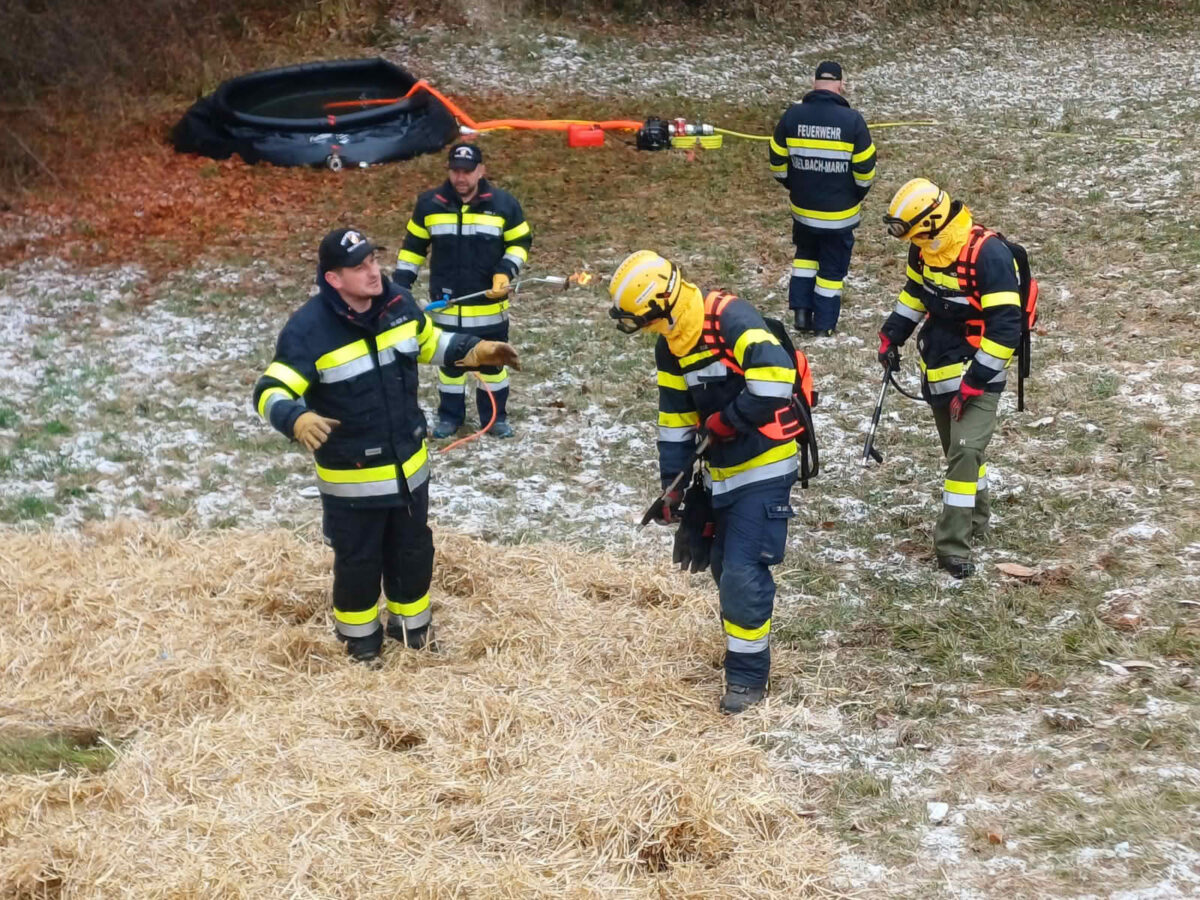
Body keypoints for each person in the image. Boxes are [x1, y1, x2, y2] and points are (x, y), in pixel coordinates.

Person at [253, 227, 520, 662]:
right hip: (353, 481)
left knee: (413, 554)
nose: (373, 272)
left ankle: (414, 633)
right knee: (359, 563)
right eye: (359, 267)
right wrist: (295, 417)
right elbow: (269, 391)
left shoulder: (397, 302)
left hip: (410, 469)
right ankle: (360, 645)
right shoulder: (308, 330)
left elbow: (429, 341)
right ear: (333, 279)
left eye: (373, 260)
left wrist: (476, 350)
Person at [608, 250, 799, 714]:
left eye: (646, 320)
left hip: (766, 464)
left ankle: (748, 680)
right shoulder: (671, 343)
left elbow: (776, 379)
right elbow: (675, 421)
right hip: (720, 474)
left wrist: (726, 422)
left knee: (741, 571)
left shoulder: (731, 318)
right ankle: (743, 649)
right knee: (721, 566)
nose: (648, 330)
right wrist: (671, 487)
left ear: (663, 305)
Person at [877, 178, 1022, 579]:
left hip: (981, 366)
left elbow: (1006, 328)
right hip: (939, 362)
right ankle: (977, 519)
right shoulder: (925, 248)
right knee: (958, 451)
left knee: (965, 451)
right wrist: (892, 334)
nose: (907, 241)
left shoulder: (988, 255)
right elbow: (915, 293)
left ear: (931, 222)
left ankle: (952, 547)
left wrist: (976, 381)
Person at [393, 142, 532, 439]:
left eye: (467, 171)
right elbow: (412, 248)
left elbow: (520, 243)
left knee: (493, 363)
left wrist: (505, 271)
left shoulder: (504, 205)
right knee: (450, 367)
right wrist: (401, 285)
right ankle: (450, 417)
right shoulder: (430, 204)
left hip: (488, 307)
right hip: (446, 308)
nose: (461, 178)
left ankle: (495, 419)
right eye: (455, 171)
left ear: (481, 170)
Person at [769, 60, 876, 337]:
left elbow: (777, 163)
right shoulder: (853, 121)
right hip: (839, 216)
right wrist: (855, 194)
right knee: (831, 267)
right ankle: (824, 324)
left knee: (805, 257)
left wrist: (795, 185)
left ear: (813, 83)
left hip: (803, 211)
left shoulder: (792, 116)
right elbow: (865, 172)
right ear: (841, 85)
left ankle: (802, 314)